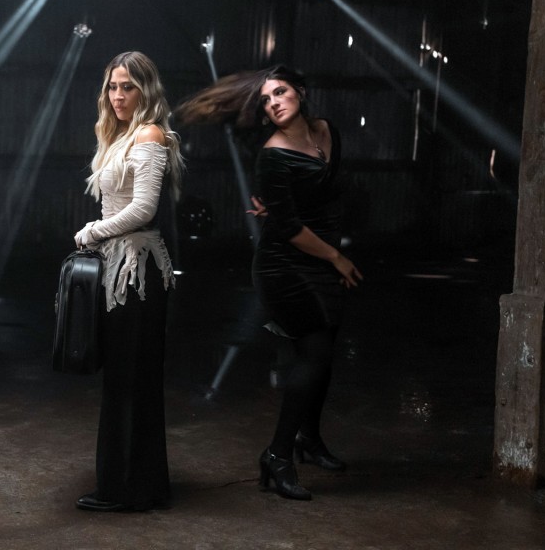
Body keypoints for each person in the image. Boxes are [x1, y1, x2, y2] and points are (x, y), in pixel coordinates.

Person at [175, 65, 362, 500]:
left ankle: (308, 440)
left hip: (321, 256)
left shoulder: (327, 132)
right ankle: (277, 455)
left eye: (280, 92)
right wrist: (334, 255)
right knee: (313, 355)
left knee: (324, 356)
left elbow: (327, 190)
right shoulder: (273, 154)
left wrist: (282, 208)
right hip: (285, 267)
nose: (273, 102)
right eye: (264, 100)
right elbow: (290, 228)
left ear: (301, 91)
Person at [72, 51, 185, 512]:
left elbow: (143, 209)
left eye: (128, 87)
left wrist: (91, 232)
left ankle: (124, 489)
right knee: (123, 378)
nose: (118, 96)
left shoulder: (149, 134)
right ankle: (140, 484)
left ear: (146, 90)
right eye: (113, 87)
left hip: (137, 271)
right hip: (119, 268)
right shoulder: (118, 134)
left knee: (132, 379)